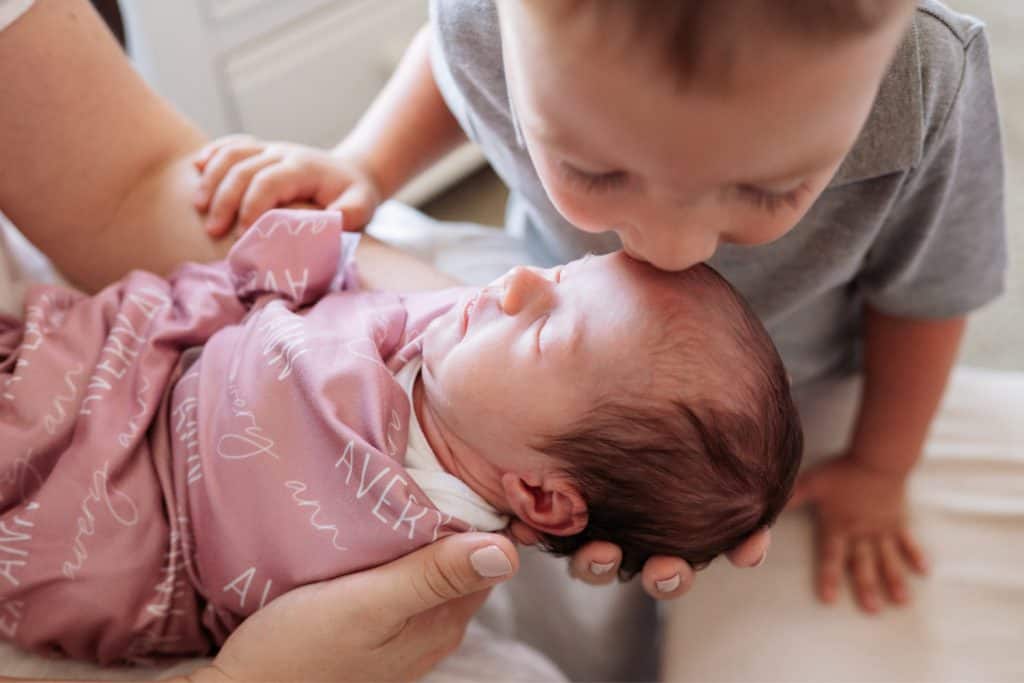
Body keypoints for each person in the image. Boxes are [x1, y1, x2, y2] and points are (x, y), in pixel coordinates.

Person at [194, 0, 1006, 625]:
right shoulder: (500, 20)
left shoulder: (922, 91)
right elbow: (456, 58)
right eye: (594, 167)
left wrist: (880, 465)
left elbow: (928, 296)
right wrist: (367, 162)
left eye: (768, 188)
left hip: (807, 373)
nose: (672, 246)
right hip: (551, 336)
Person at [0, 208, 801, 664]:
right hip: (139, 362)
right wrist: (323, 231)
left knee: (60, 550)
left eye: (548, 331)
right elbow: (311, 266)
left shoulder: (420, 544)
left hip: (146, 533)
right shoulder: (451, 338)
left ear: (539, 495)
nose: (516, 283)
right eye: (561, 274)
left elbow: (278, 611)